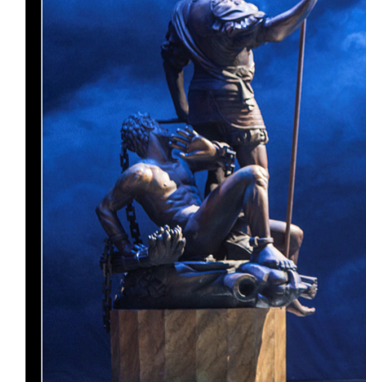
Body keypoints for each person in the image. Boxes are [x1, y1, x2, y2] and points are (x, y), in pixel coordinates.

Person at [161, 0, 320, 194]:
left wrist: (183, 109)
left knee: (218, 173)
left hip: (200, 104)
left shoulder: (184, 10)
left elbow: (172, 62)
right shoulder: (226, 7)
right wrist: (309, 0)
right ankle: (256, 222)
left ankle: (219, 221)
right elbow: (272, 32)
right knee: (258, 177)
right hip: (235, 102)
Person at [96, 113, 303, 272]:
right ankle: (263, 247)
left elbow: (225, 160)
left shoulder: (182, 161)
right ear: (149, 128)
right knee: (254, 173)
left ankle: (287, 288)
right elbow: (104, 208)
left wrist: (212, 149)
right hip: (192, 234)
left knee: (292, 235)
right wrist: (125, 248)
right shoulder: (141, 173)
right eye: (160, 126)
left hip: (212, 225)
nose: (167, 130)